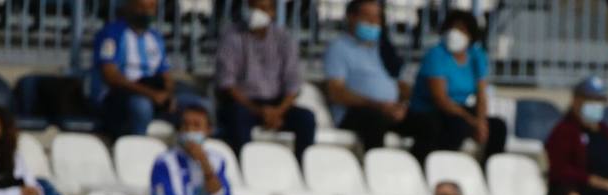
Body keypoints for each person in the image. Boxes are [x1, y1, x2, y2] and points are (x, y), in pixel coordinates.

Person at [324, 0, 439, 159]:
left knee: (428, 124)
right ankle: (376, 170)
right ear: (351, 17)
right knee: (375, 121)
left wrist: (402, 105)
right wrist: (378, 105)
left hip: (387, 109)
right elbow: (336, 92)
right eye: (367, 16)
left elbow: (398, 84)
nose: (373, 22)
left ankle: (415, 168)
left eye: (377, 17)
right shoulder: (339, 47)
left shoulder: (382, 48)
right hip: (356, 112)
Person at [215, 0, 315, 159]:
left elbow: (293, 85)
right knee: (236, 117)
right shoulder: (231, 36)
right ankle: (244, 164)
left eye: (263, 8)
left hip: (277, 104)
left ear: (273, 12)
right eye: (253, 7)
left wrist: (277, 112)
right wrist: (259, 111)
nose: (257, 12)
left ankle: (302, 166)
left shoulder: (284, 38)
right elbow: (227, 84)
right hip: (243, 103)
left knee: (306, 119)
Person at [410, 10, 506, 159]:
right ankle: (439, 164)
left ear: (471, 35)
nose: (455, 33)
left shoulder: (476, 55)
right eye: (452, 28)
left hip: (459, 109)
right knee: (457, 126)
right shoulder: (437, 54)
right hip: (432, 109)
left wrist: (481, 122)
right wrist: (472, 121)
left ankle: (489, 169)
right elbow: (440, 99)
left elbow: (481, 94)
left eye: (461, 29)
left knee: (498, 126)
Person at [91, 0, 174, 137]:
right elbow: (111, 76)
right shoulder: (111, 34)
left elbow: (166, 74)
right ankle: (137, 147)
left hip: (152, 90)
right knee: (141, 106)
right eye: (141, 7)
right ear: (129, 6)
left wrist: (169, 95)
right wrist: (151, 94)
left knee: (195, 104)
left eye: (151, 7)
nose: (147, 12)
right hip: (119, 95)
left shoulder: (155, 37)